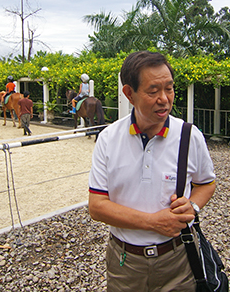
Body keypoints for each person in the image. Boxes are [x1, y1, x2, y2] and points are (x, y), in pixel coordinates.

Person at [88, 51, 216, 292]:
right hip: (125, 264)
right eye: (153, 91)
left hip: (178, 260)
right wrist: (152, 222)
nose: (164, 99)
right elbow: (97, 206)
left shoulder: (189, 136)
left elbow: (206, 183)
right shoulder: (108, 139)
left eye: (169, 88)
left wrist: (194, 206)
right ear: (129, 93)